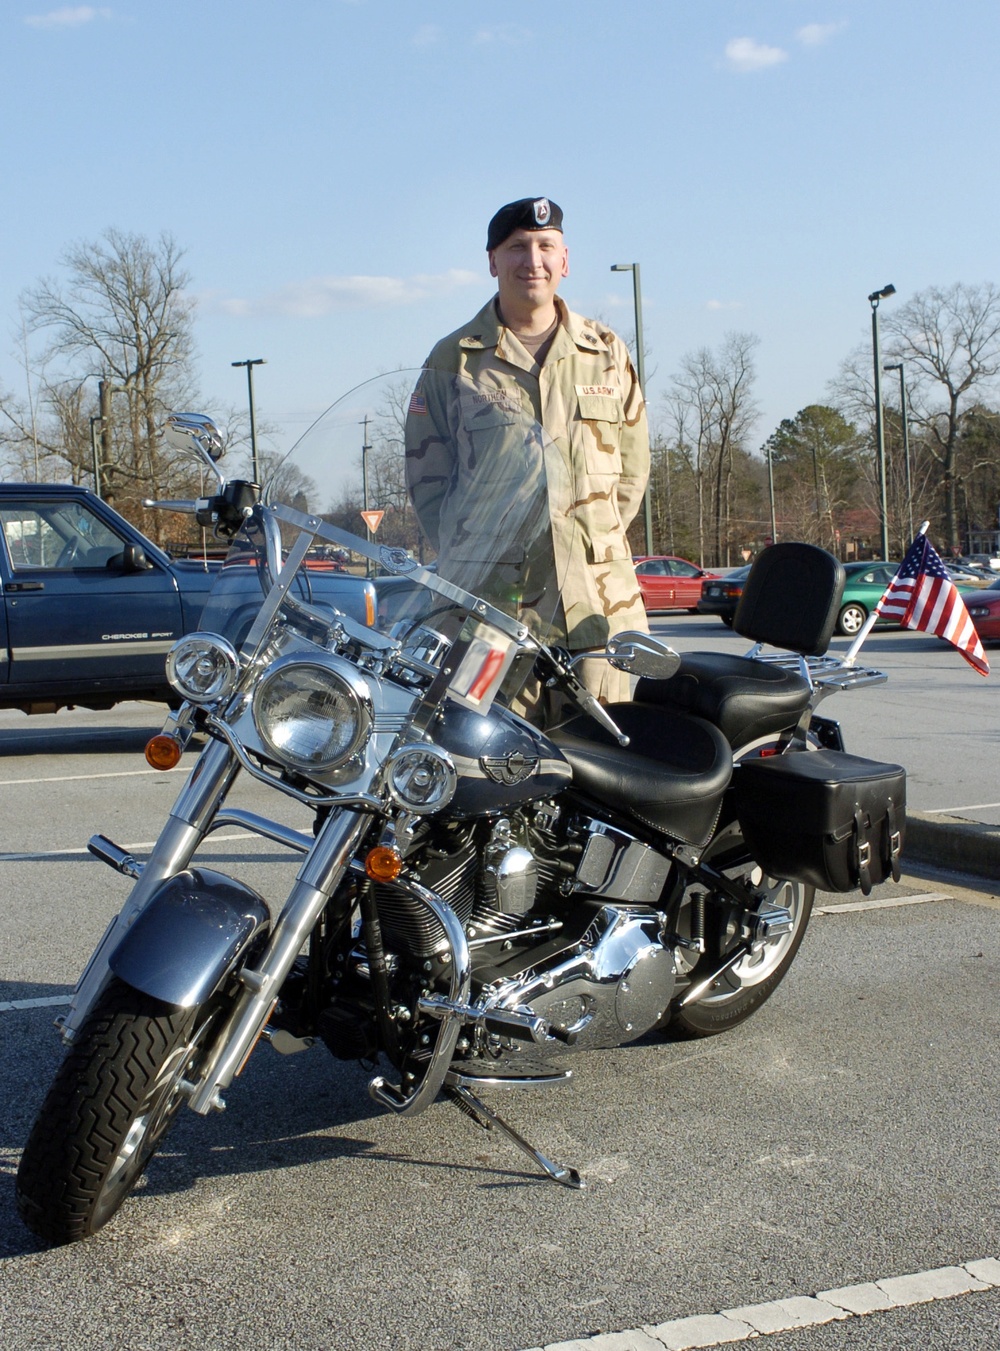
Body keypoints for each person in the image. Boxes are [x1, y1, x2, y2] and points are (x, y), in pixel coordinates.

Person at [404, 196, 650, 720]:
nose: (531, 260)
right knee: (482, 757)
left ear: (565, 259)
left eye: (545, 246)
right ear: (493, 262)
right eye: (516, 247)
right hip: (486, 612)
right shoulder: (454, 358)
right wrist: (477, 553)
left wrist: (582, 541)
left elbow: (631, 474)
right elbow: (428, 483)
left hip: (596, 607)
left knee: (602, 762)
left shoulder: (607, 352)